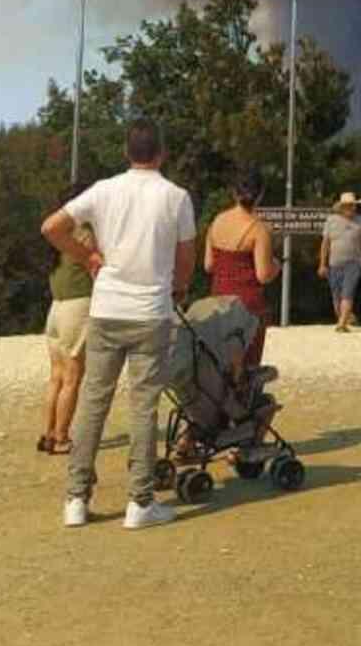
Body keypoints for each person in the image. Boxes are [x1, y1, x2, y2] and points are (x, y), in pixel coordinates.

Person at [41, 116, 196, 531]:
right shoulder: (176, 197)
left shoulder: (104, 190)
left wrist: (86, 256)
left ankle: (76, 498)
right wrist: (179, 289)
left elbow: (51, 227)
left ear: (127, 153)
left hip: (107, 308)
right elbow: (185, 260)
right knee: (144, 407)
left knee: (94, 402)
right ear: (161, 153)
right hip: (150, 313)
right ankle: (139, 503)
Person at [39, 188, 101, 454]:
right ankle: (62, 436)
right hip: (78, 306)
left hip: (56, 307)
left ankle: (48, 432)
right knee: (73, 378)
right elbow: (99, 267)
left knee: (57, 376)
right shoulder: (84, 232)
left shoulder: (58, 236)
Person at [204, 170, 280, 364]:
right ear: (260, 194)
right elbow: (263, 275)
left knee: (220, 364)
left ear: (233, 192)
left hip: (218, 302)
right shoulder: (258, 229)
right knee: (247, 366)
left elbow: (209, 265)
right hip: (247, 306)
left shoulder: (217, 221)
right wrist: (277, 266)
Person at [318, 192, 361, 331]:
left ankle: (342, 324)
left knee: (347, 293)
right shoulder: (331, 220)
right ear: (342, 207)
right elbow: (325, 243)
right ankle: (345, 317)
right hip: (334, 263)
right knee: (336, 296)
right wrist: (322, 264)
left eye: (352, 205)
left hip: (354, 262)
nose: (350, 208)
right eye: (347, 206)